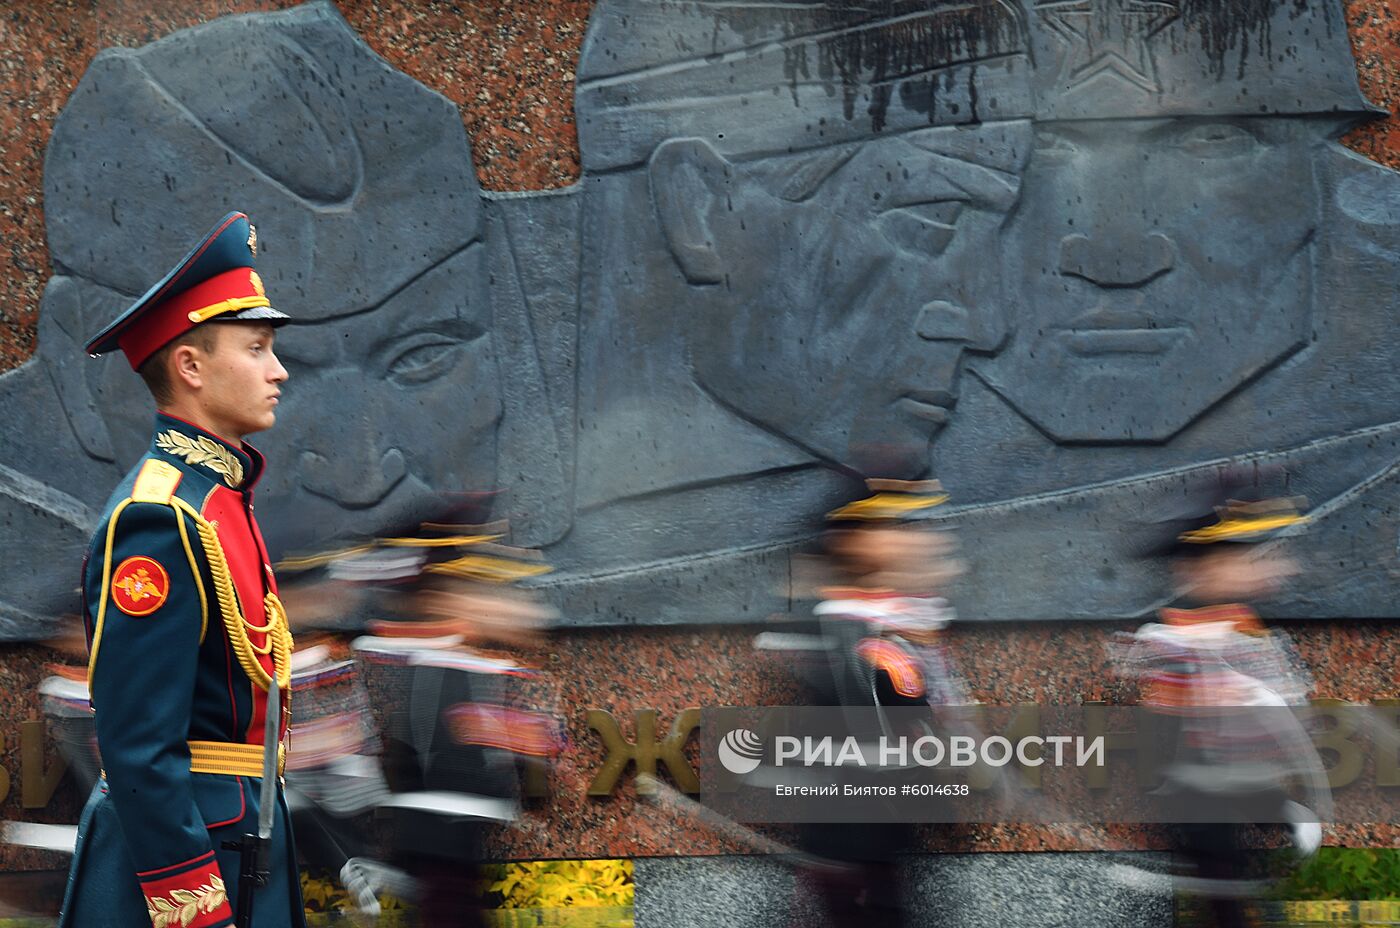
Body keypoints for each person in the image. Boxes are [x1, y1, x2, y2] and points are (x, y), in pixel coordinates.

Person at [58, 212, 303, 928]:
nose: (278, 368)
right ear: (191, 368)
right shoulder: (160, 517)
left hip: (242, 837)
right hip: (183, 868)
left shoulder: (218, 497)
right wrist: (195, 907)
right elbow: (139, 746)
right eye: (256, 348)